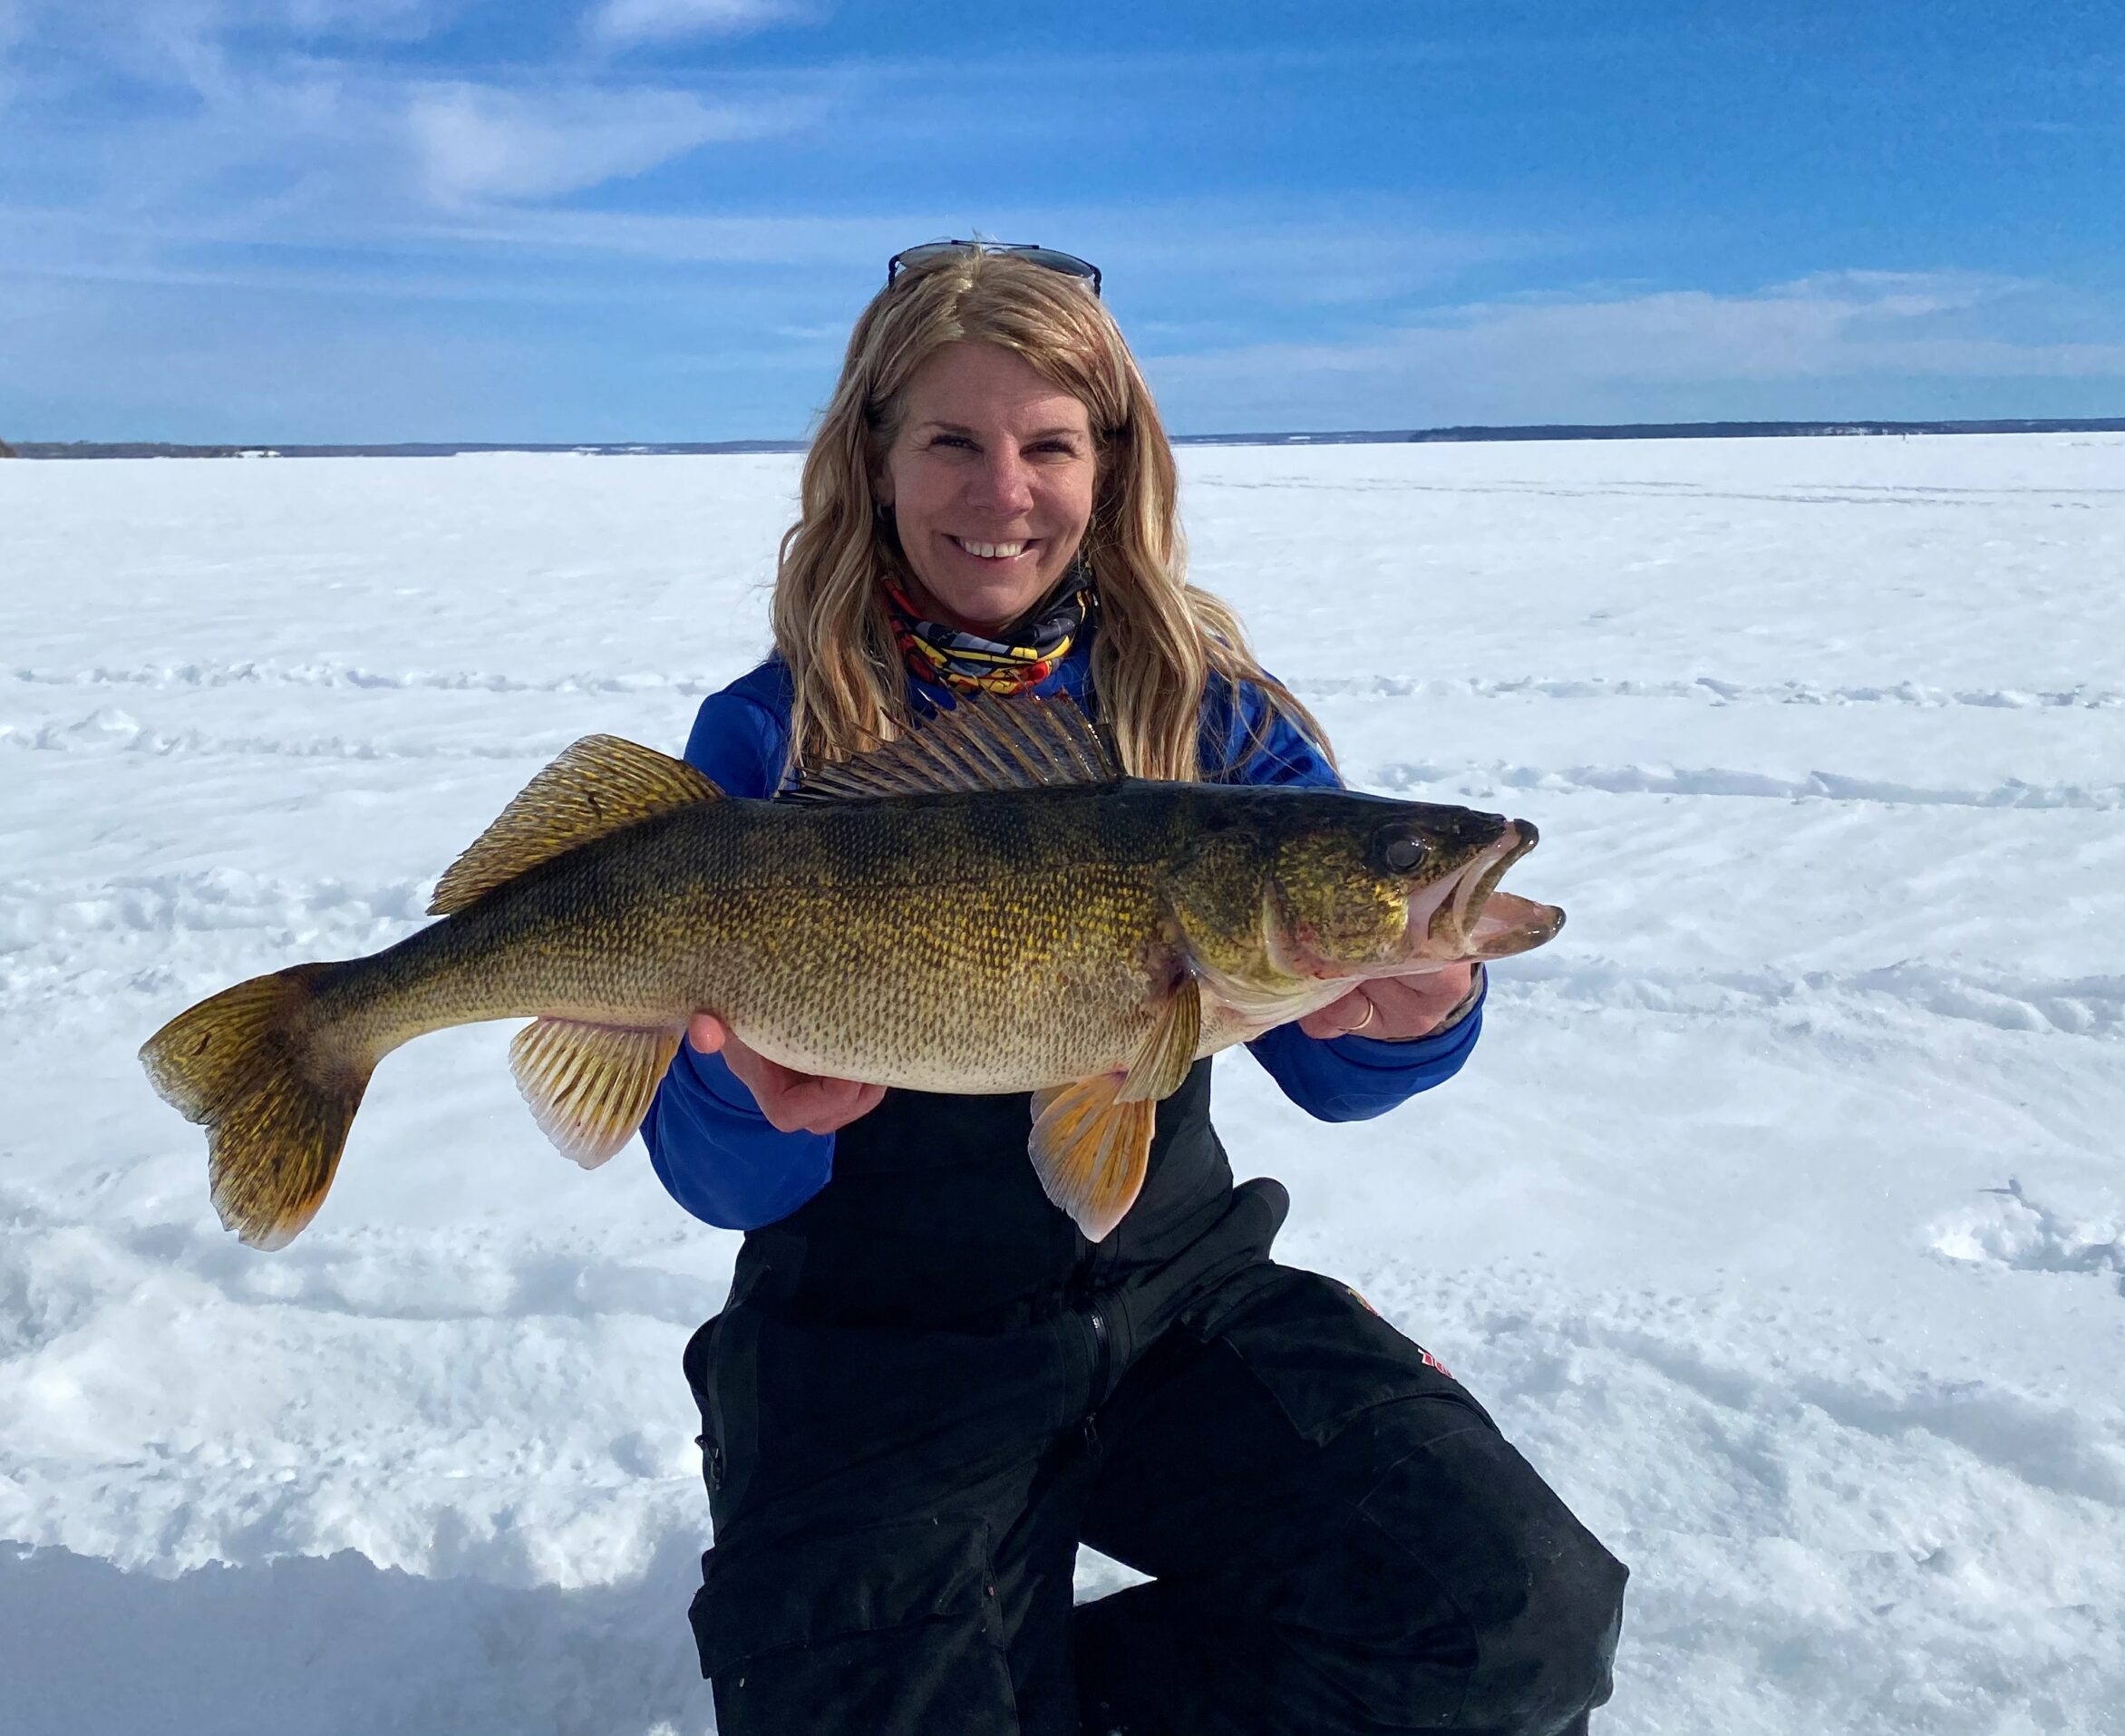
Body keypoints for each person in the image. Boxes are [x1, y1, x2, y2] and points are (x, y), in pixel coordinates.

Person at [644, 241, 1626, 1736]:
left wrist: (1417, 1009)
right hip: (869, 1344)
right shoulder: (769, 743)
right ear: (874, 459)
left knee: (1513, 1621)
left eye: (1050, 444)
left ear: (1113, 462)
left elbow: (1334, 1066)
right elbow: (707, 1169)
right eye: (953, 443)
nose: (1003, 492)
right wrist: (743, 1092)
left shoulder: (1213, 721)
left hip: (1172, 1309)